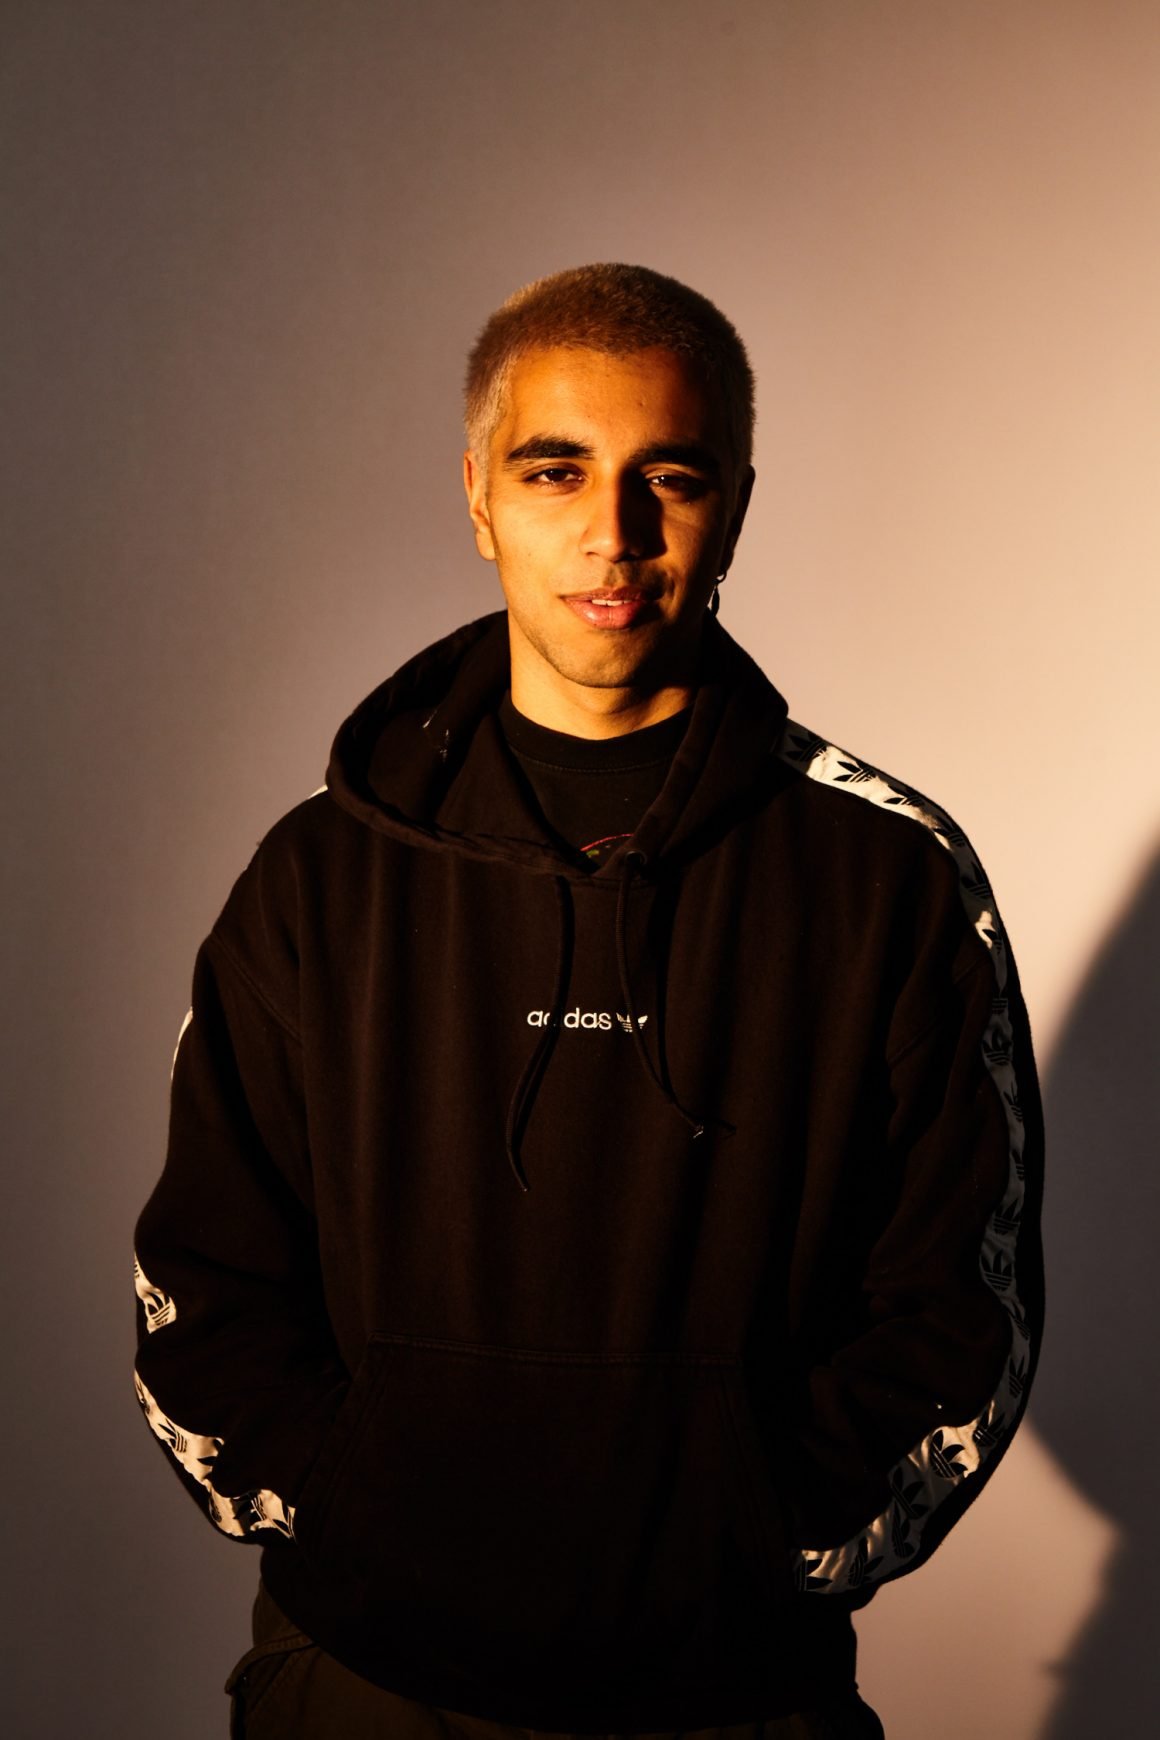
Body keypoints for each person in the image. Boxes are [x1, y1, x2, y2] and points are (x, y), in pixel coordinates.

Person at [133, 264, 1044, 1739]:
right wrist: (349, 1514)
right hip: (366, 1681)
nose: (612, 532)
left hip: (732, 1695)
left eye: (667, 477)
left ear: (736, 505)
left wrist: (761, 1544)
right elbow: (204, 1278)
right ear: (479, 497)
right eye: (554, 471)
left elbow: (962, 1307)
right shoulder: (322, 876)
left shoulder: (886, 878)